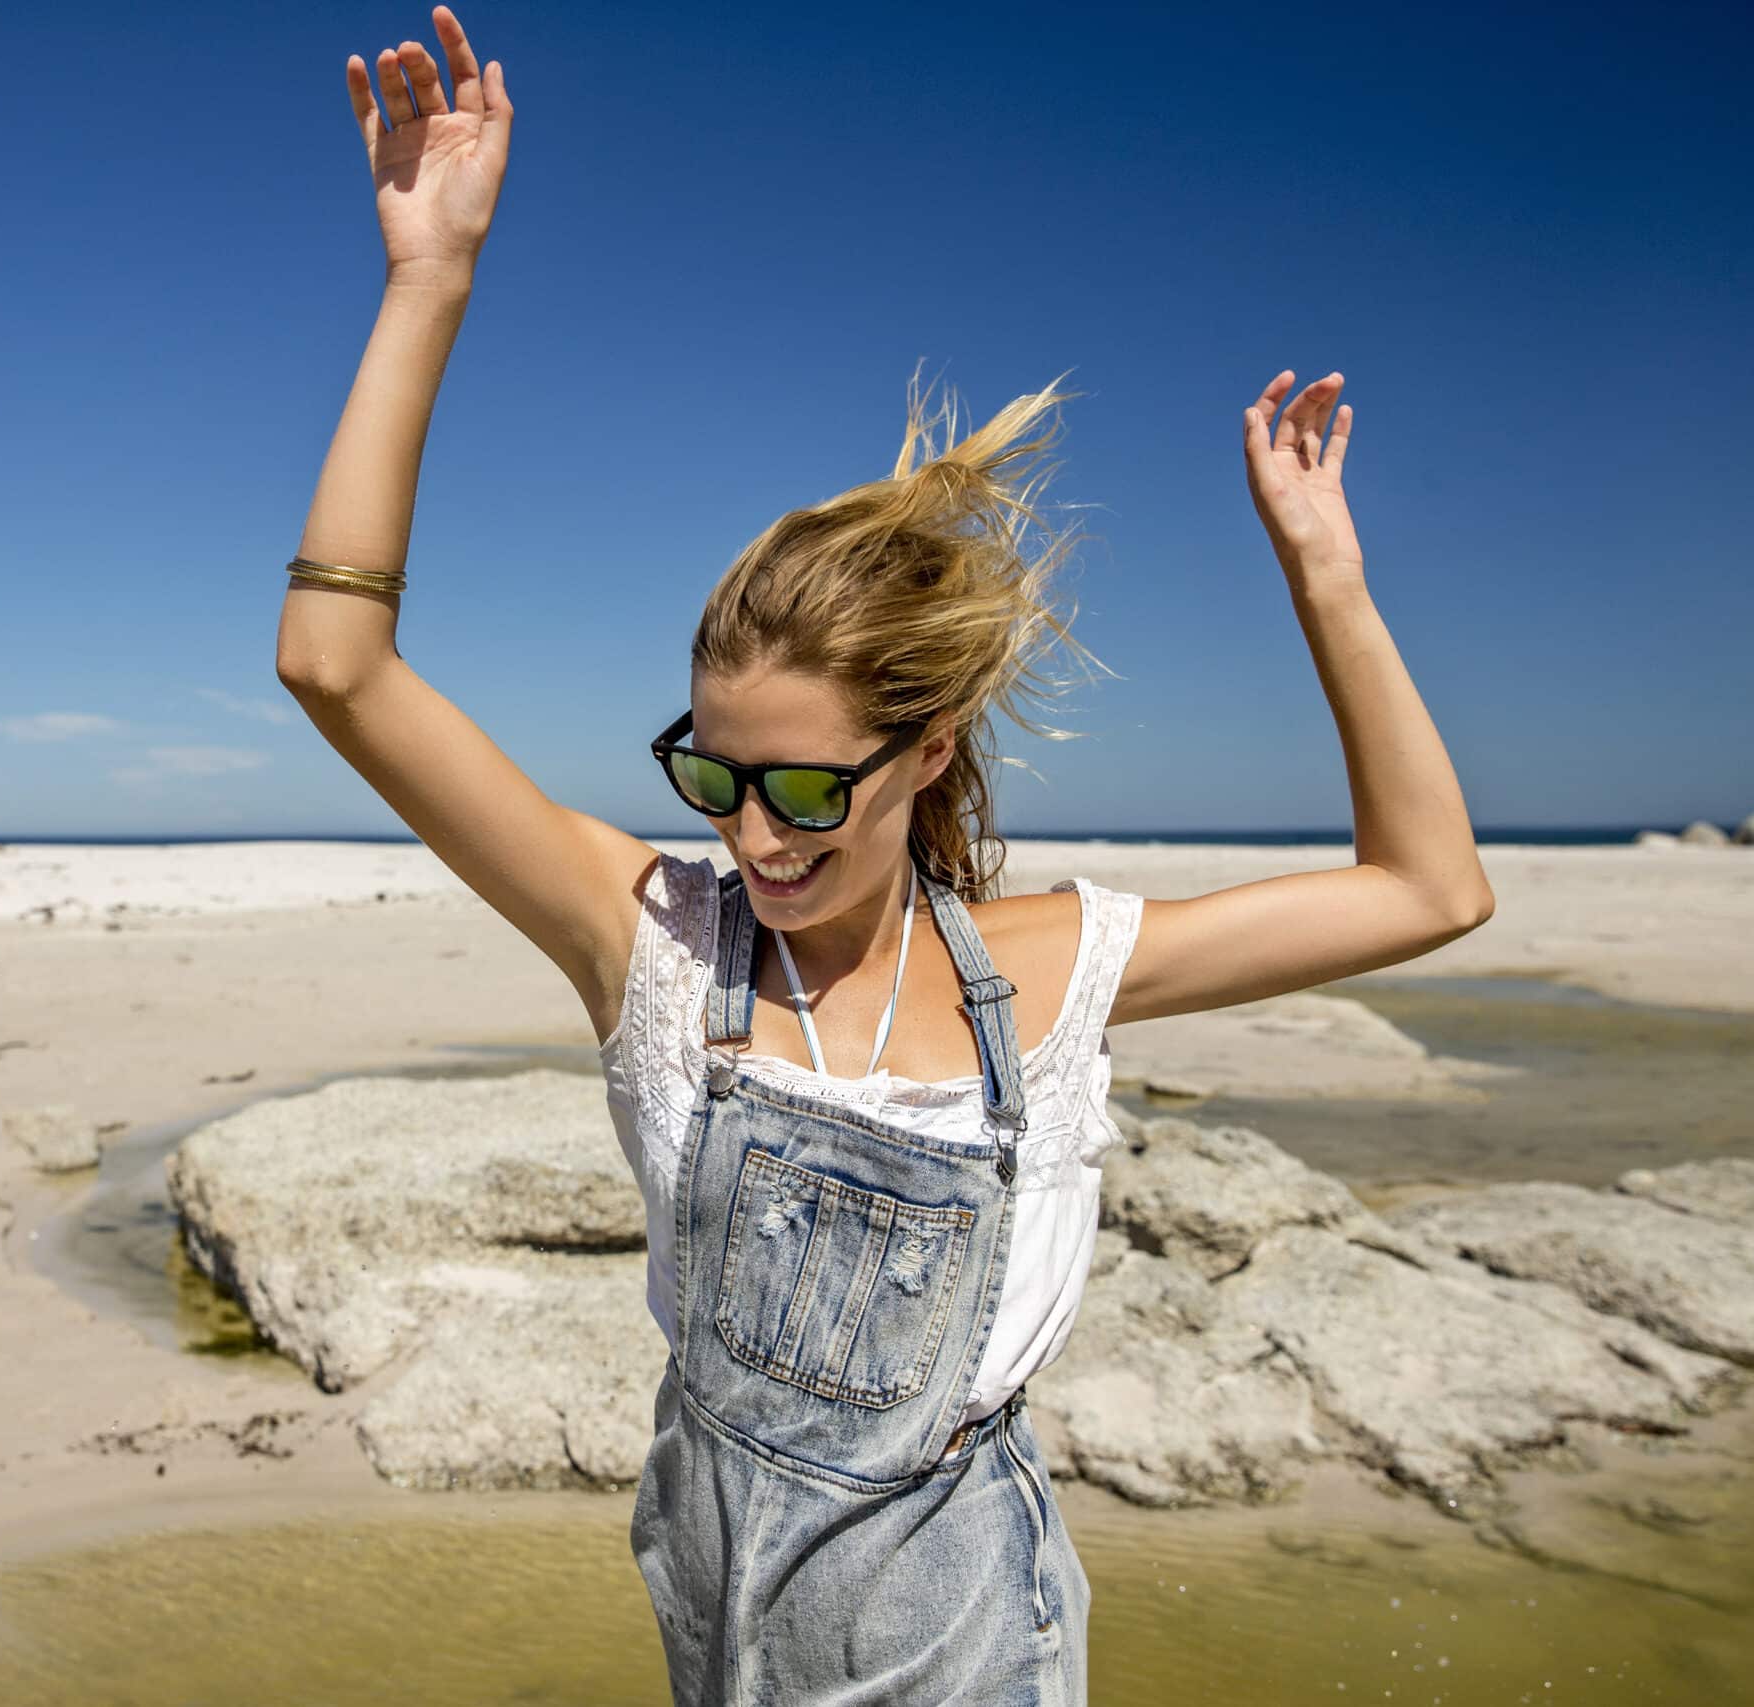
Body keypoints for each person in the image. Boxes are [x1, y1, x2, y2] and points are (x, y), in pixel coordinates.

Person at [279, 10, 1495, 1702]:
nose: (748, 834)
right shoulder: (653, 945)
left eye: (803, 790)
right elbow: (336, 669)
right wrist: (429, 285)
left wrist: (1329, 584)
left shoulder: (1053, 974)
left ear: (927, 754)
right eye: (712, 772)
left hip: (973, 1651)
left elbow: (1432, 890)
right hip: (721, 1640)